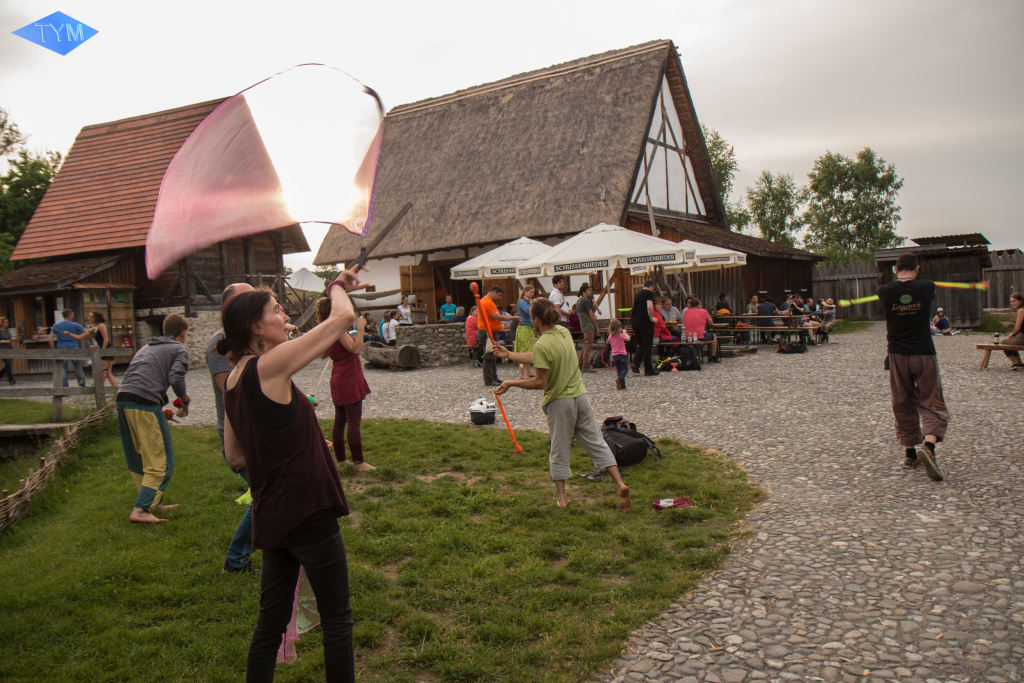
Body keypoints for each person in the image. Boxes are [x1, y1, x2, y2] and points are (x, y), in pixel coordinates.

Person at [219, 266, 362, 682]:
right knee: (338, 619)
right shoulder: (269, 365)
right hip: (306, 509)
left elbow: (234, 455)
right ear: (256, 327)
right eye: (276, 311)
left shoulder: (233, 379)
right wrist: (336, 285)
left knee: (270, 623)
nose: (285, 317)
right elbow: (342, 318)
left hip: (272, 514)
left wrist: (299, 444)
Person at [494, 298, 631, 511]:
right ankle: (620, 484)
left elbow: (541, 382)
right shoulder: (564, 332)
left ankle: (563, 499)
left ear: (535, 319)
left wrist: (512, 383)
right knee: (597, 443)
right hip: (581, 397)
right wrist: (509, 354)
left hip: (560, 403)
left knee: (559, 449)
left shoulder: (542, 344)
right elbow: (538, 357)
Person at [878, 253, 948, 482]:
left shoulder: (884, 291)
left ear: (895, 270)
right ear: (918, 269)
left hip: (897, 354)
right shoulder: (927, 287)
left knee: (902, 401)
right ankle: (929, 447)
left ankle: (910, 454)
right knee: (931, 399)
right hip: (924, 352)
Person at [116, 313, 191, 524]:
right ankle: (141, 509)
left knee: (139, 456)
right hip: (145, 403)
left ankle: (153, 502)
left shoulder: (146, 348)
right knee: (160, 460)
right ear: (183, 333)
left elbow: (140, 379)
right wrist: (184, 401)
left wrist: (161, 411)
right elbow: (175, 377)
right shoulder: (179, 349)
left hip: (123, 401)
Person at [207, 283, 259, 574]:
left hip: (252, 430)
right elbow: (233, 391)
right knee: (264, 495)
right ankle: (237, 558)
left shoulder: (246, 340)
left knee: (266, 494)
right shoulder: (220, 344)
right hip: (238, 434)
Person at [317, 297, 374, 472]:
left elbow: (322, 354)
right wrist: (361, 328)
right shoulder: (339, 331)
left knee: (340, 421)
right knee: (353, 422)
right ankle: (359, 462)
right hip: (348, 377)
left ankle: (341, 460)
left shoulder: (327, 331)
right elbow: (356, 349)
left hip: (338, 377)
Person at [477, 285, 517, 387]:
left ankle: (494, 377)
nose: (499, 298)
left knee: (493, 354)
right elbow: (497, 317)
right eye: (498, 295)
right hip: (488, 331)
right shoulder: (488, 302)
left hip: (488, 330)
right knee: (489, 355)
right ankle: (489, 380)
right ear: (494, 292)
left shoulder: (483, 301)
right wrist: (513, 318)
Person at [49, 308, 92, 387]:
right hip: (74, 347)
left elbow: (50, 339)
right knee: (78, 367)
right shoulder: (75, 325)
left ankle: (65, 387)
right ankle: (82, 386)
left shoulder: (56, 325)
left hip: (61, 348)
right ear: (71, 315)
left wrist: (53, 350)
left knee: (63, 369)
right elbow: (87, 332)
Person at [629, 280, 658, 376]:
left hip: (635, 321)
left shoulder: (637, 294)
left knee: (641, 343)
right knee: (648, 345)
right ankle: (648, 369)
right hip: (645, 321)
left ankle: (635, 363)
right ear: (651, 287)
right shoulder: (649, 293)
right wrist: (651, 318)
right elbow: (649, 307)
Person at [85, 310, 117, 387]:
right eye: (89, 316)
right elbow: (86, 337)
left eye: (91, 316)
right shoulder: (95, 328)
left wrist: (103, 350)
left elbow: (106, 338)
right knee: (108, 373)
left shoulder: (101, 326)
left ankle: (100, 389)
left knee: (102, 372)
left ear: (96, 317)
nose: (89, 318)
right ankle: (116, 390)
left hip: (105, 349)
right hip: (101, 349)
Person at [575, 283, 598, 373]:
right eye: (588, 290)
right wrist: (596, 326)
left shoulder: (579, 301)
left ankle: (580, 363)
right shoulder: (587, 302)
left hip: (583, 325)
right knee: (588, 346)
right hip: (588, 325)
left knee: (585, 345)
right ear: (583, 292)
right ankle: (585, 365)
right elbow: (591, 316)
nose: (590, 292)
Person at [515, 286, 537, 380]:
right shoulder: (522, 302)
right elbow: (529, 311)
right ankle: (522, 373)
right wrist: (534, 305)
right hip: (523, 328)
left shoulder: (529, 302)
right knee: (523, 351)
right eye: (531, 292)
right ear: (525, 291)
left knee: (530, 350)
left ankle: (529, 371)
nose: (532, 294)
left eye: (533, 292)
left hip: (529, 328)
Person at [607, 318, 630, 390]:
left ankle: (622, 385)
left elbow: (608, 341)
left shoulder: (610, 336)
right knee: (625, 369)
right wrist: (625, 332)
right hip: (621, 354)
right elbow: (628, 338)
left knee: (619, 369)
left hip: (614, 355)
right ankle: (620, 378)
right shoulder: (621, 335)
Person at [1003, 292, 1024, 370]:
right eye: (1011, 301)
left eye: (1014, 301)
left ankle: (1015, 362)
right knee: (1011, 341)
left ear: (1020, 301)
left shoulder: (1021, 310)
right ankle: (1019, 362)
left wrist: (1012, 334)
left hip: (1022, 335)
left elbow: (1017, 328)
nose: (1012, 303)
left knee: (1004, 342)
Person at [0, 316, 15, 384]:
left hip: (9, 348)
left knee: (8, 365)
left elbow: (10, 339)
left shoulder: (7, 330)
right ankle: (11, 379)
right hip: (2, 349)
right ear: (2, 323)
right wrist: (3, 341)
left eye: (7, 322)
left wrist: (13, 348)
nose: (6, 323)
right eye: (5, 322)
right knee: (8, 364)